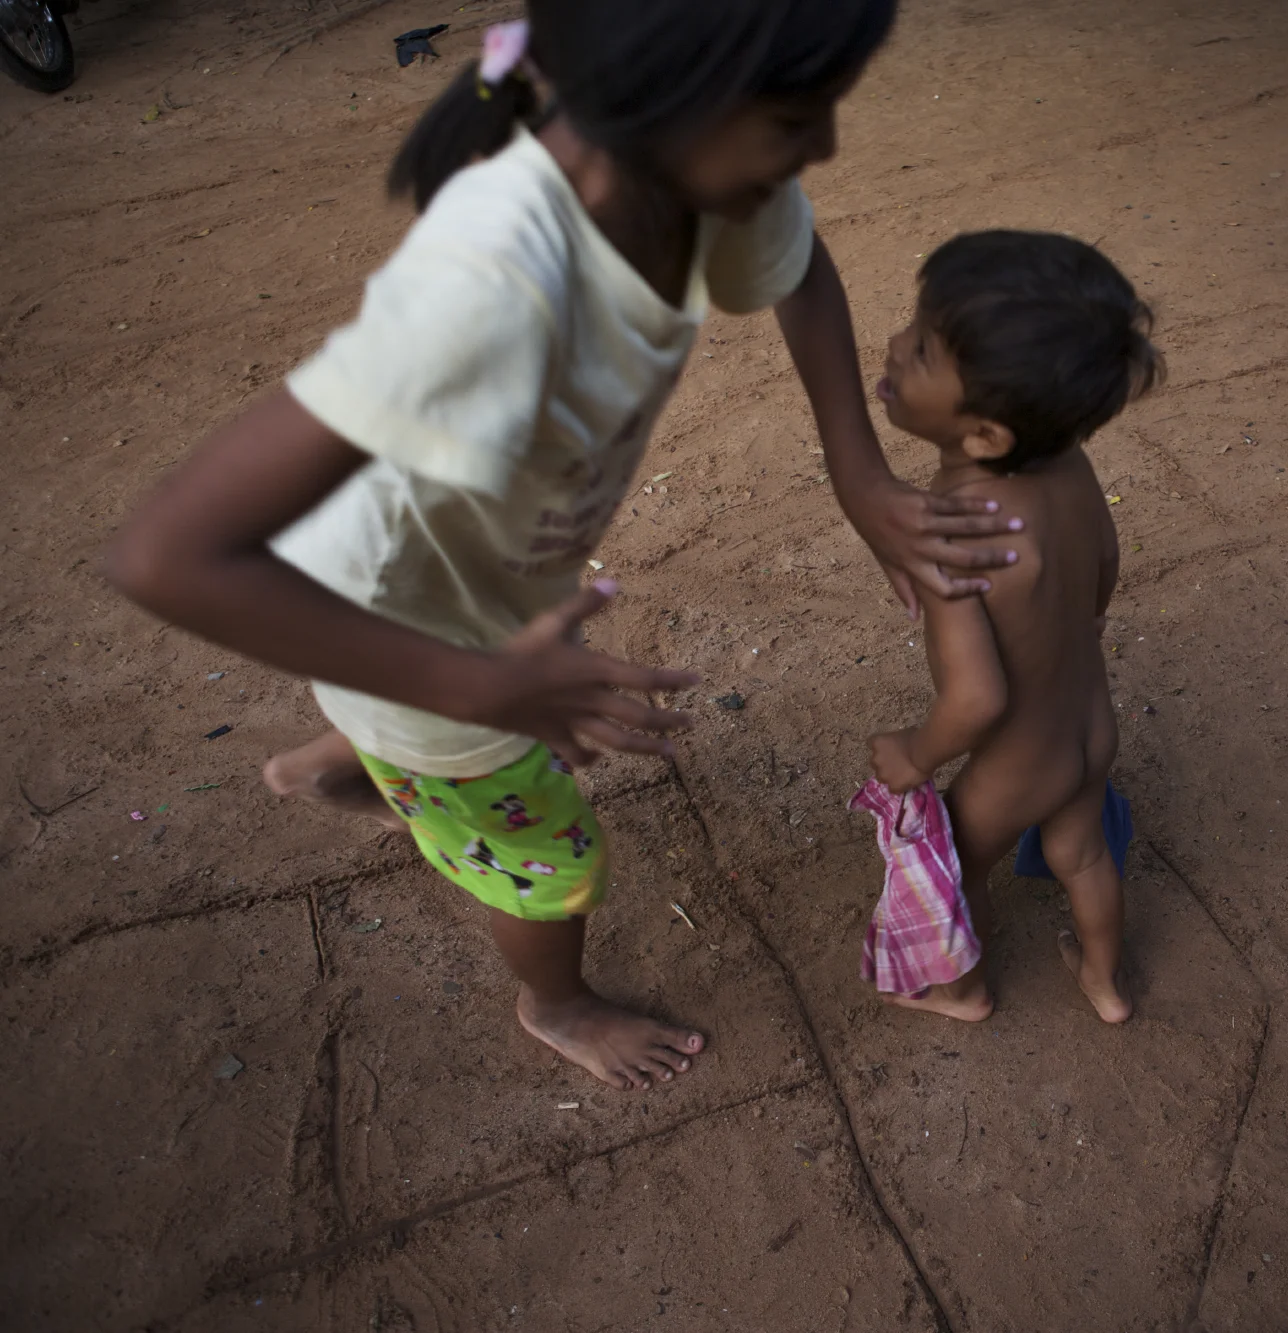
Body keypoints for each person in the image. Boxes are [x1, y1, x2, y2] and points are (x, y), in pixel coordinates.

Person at [108, 0, 1025, 1094]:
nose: (821, 147)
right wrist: (477, 686)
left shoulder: (691, 175)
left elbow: (797, 263)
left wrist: (857, 471)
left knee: (433, 739)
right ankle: (554, 999)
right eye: (796, 118)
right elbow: (168, 556)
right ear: (667, 102)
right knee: (548, 859)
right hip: (414, 638)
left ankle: (364, 755)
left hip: (478, 593)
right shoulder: (485, 290)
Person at [861, 231, 1162, 1025]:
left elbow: (979, 697)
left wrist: (916, 752)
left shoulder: (953, 532)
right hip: (1089, 722)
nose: (893, 345)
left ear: (986, 436)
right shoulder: (1070, 466)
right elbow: (1103, 566)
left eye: (921, 349)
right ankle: (1106, 984)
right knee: (1084, 851)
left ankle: (961, 989)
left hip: (1019, 756)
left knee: (957, 864)